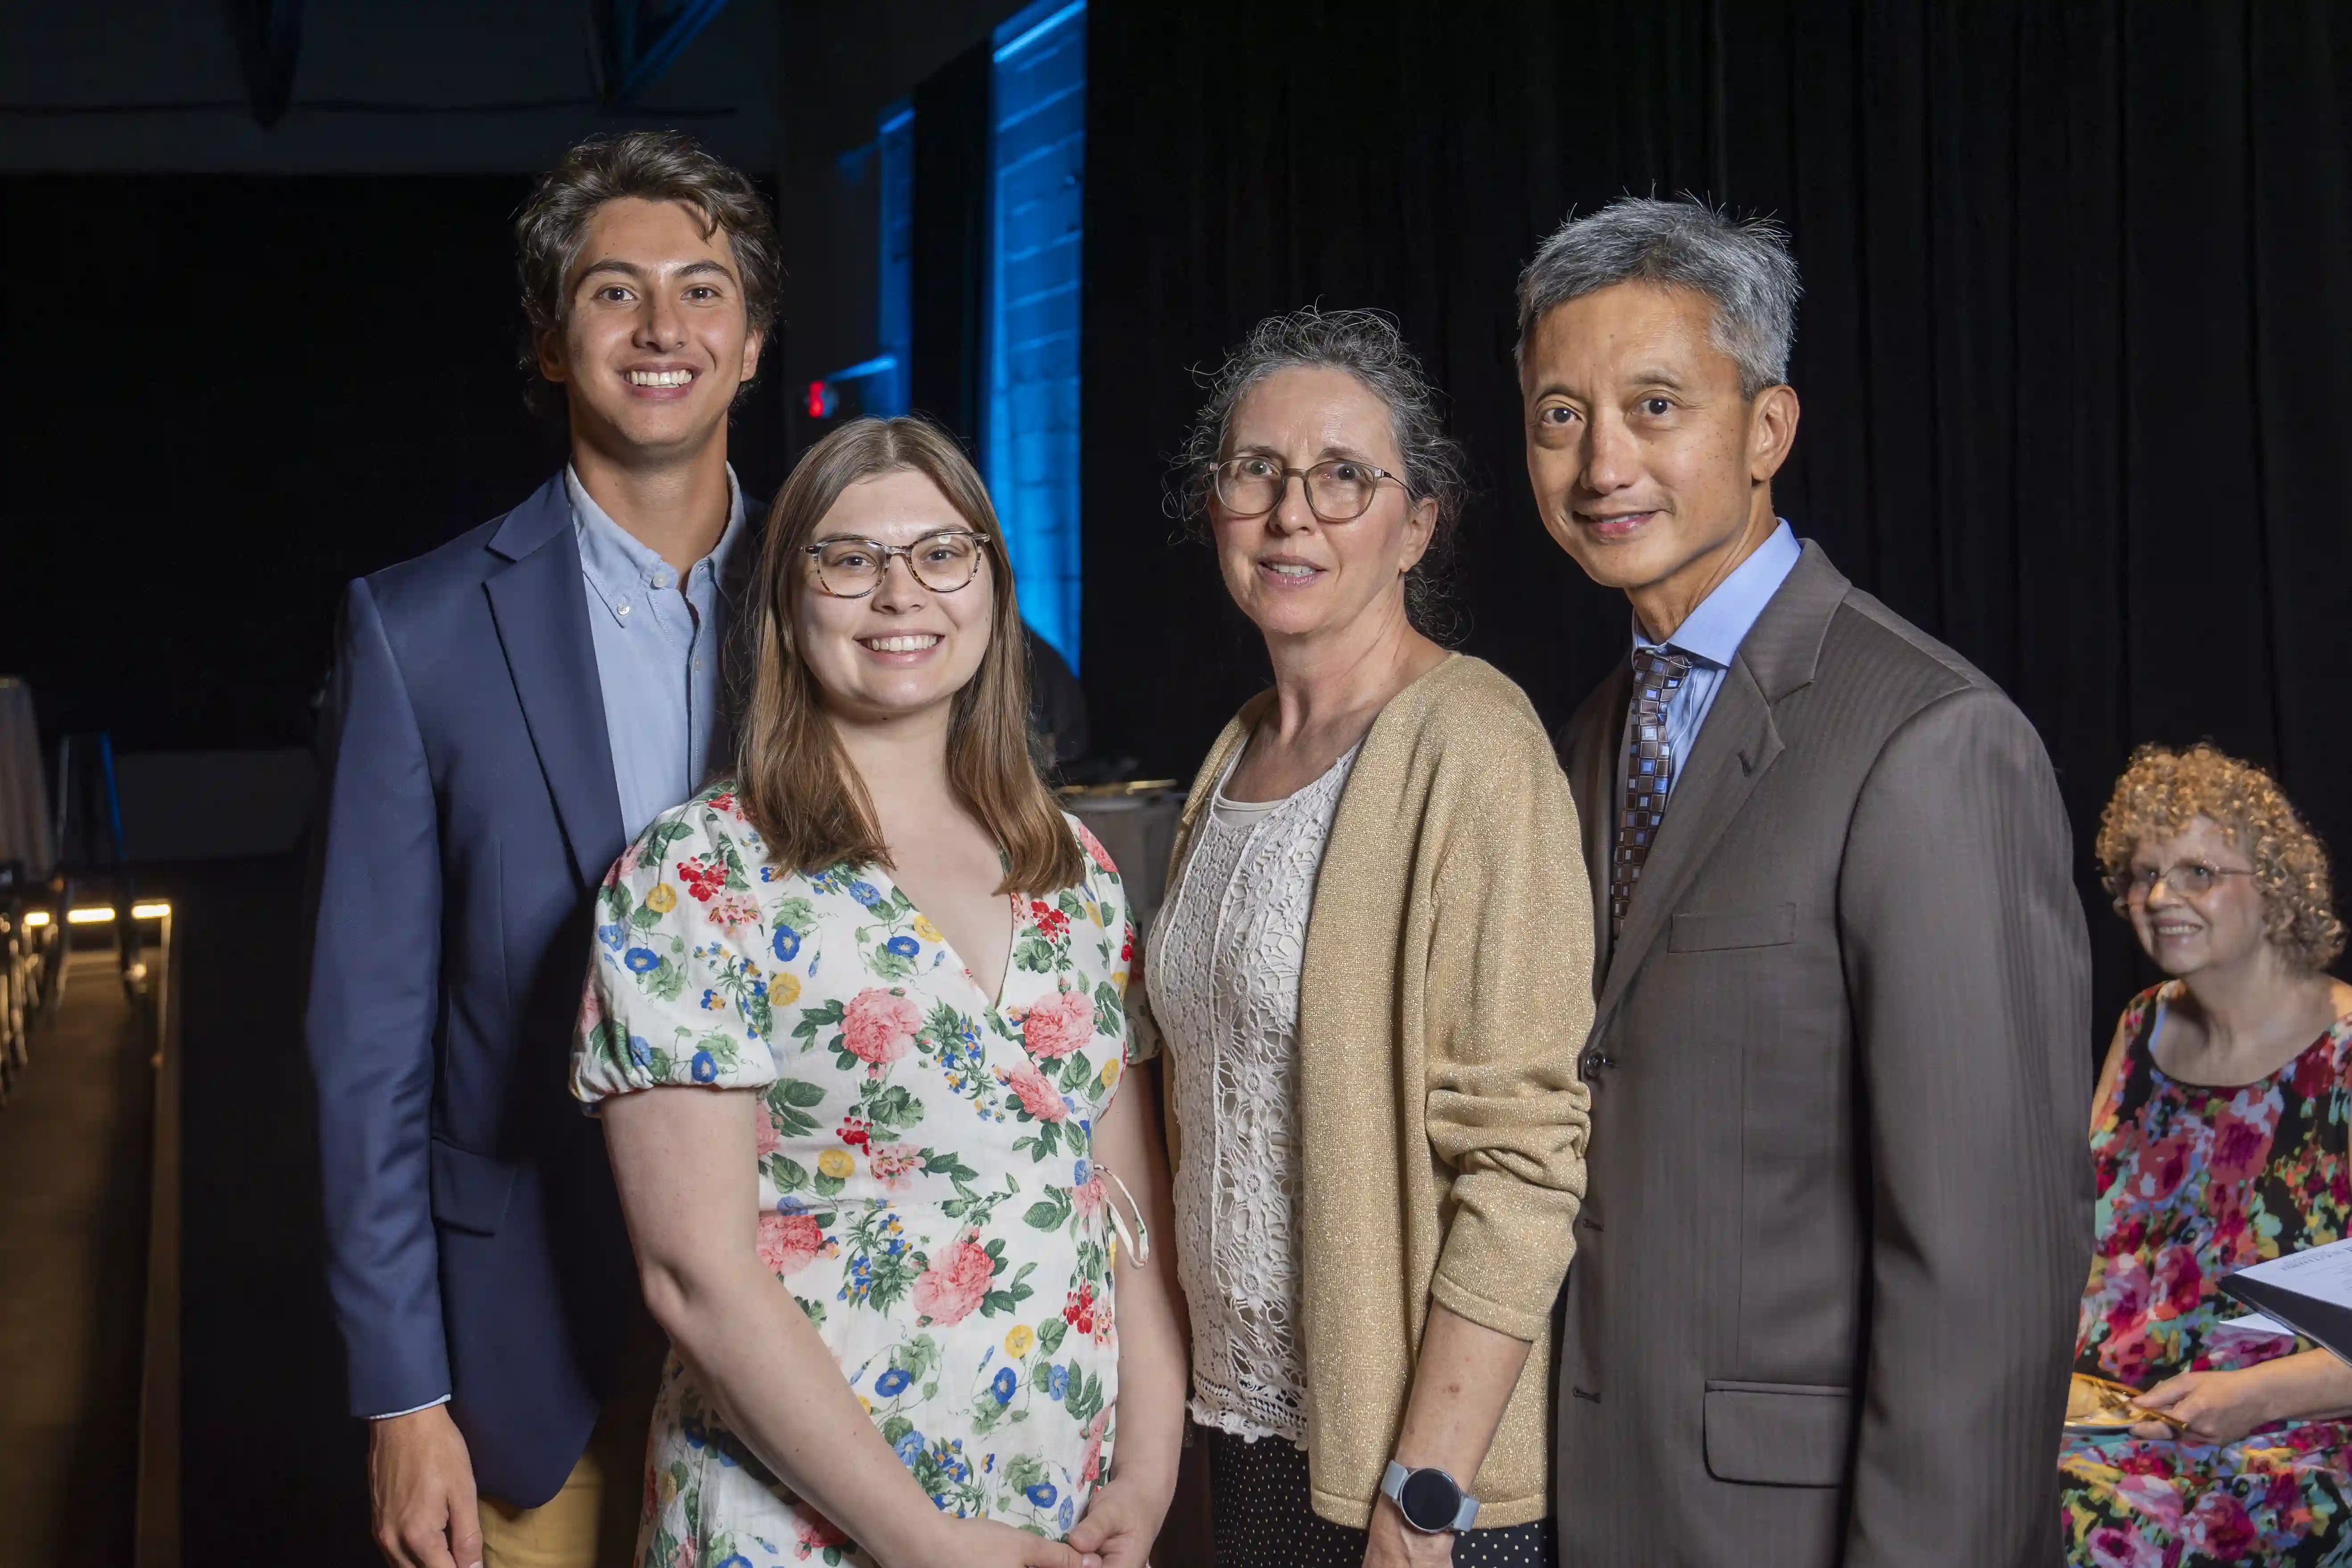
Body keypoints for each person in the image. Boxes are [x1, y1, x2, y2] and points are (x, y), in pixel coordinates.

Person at [1526, 196, 2093, 1566]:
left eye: (1656, 406)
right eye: (1560, 415)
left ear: (1768, 428)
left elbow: (1986, 1278)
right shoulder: (1582, 737)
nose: (1603, 462)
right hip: (1588, 1504)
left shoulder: (1934, 741)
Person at [571, 416, 1187, 1568]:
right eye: (850, 559)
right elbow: (694, 1275)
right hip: (805, 1525)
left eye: (941, 553)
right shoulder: (698, 874)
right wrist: (925, 1542)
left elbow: (1125, 1210)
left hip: (1054, 1508)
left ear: (992, 588)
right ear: (787, 605)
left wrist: (1145, 1476)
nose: (902, 592)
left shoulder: (1072, 869)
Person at [306, 130, 779, 1568]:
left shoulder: (845, 608)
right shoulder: (419, 630)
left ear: (753, 344)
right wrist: (403, 1397)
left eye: (702, 290)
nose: (662, 328)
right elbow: (368, 1046)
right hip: (530, 1354)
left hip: (813, 1331)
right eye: (613, 291)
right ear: (552, 342)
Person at [1143, 307, 1593, 1568]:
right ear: (1216, 506)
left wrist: (1425, 1489)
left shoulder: (1474, 743)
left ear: (1417, 524)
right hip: (1247, 1429)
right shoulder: (1236, 748)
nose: (1293, 515)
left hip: (1414, 1473)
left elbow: (1524, 1160)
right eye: (1257, 471)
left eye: (1344, 476)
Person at [2062, 743, 2352, 1564]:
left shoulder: (2345, 1050)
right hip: (2112, 1418)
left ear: (2277, 888)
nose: (2161, 897)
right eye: (2144, 874)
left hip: (2281, 1436)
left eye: (2197, 871)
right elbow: (2083, 1237)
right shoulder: (2143, 1023)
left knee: (2066, 1517)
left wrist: (2250, 1394)